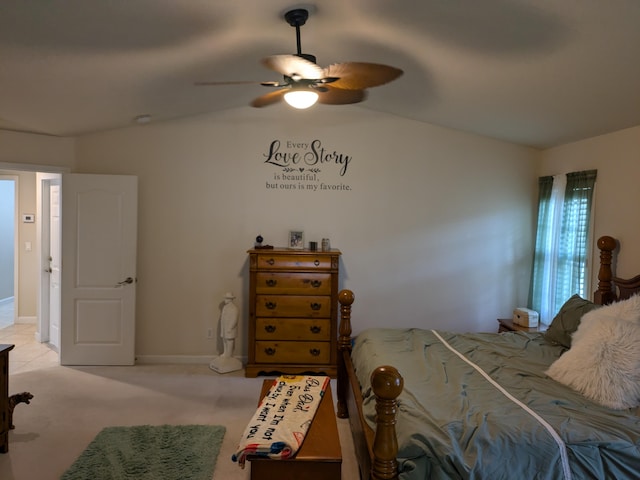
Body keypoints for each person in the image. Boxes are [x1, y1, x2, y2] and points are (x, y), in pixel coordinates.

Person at [210, 292, 242, 374]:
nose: (225, 300)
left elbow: (234, 319)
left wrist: (230, 327)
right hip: (224, 328)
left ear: (230, 299)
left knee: (230, 340)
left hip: (230, 329)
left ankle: (229, 354)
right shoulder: (225, 308)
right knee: (224, 340)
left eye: (226, 298)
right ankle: (225, 352)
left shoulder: (234, 308)